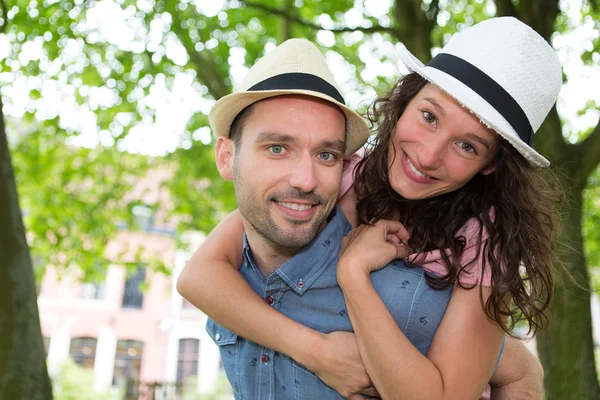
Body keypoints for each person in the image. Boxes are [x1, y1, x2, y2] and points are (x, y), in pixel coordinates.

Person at [179, 17, 558, 399]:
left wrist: (354, 274)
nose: (427, 157)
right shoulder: (340, 174)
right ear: (405, 101)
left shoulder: (483, 239)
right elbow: (199, 276)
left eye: (467, 146)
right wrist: (315, 351)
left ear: (491, 163)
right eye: (429, 117)